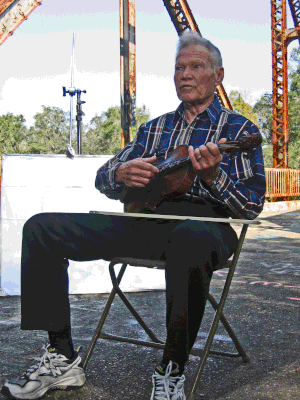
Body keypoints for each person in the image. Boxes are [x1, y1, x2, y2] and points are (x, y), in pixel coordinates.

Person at [1, 31, 266, 400]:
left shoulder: (240, 131)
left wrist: (213, 176)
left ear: (218, 76)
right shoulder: (153, 128)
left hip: (207, 226)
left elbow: (252, 207)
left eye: (195, 67)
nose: (184, 75)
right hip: (148, 221)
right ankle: (61, 358)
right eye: (178, 68)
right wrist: (119, 174)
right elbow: (102, 177)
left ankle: (171, 367)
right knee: (42, 228)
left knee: (191, 238)